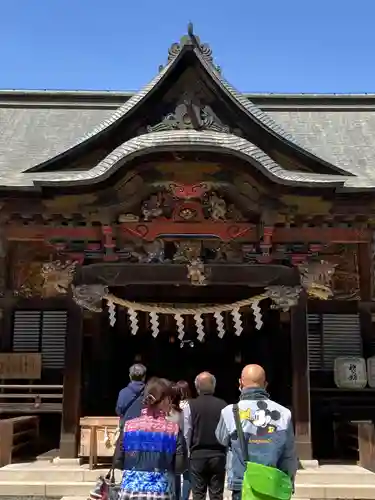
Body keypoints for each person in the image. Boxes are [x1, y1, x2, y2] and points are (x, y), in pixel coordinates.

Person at [215, 364, 298, 500]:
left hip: (242, 482)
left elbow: (221, 439)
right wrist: (289, 482)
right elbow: (289, 455)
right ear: (265, 384)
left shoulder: (230, 411)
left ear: (240, 383)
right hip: (273, 483)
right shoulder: (284, 413)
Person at [116, 377, 187, 500]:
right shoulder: (173, 429)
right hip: (161, 492)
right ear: (164, 400)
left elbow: (118, 460)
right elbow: (180, 466)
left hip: (129, 492)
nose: (171, 403)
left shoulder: (129, 426)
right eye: (170, 399)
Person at [183, 372, 226, 500]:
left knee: (198, 494)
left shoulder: (190, 406)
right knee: (217, 495)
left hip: (197, 455)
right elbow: (225, 432)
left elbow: (187, 432)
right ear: (214, 386)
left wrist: (187, 454)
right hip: (218, 455)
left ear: (197, 388)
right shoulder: (223, 405)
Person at [168, 381, 192, 500]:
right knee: (187, 474)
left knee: (175, 473)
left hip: (173, 445)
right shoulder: (190, 406)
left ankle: (176, 496)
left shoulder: (171, 410)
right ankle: (184, 497)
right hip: (186, 444)